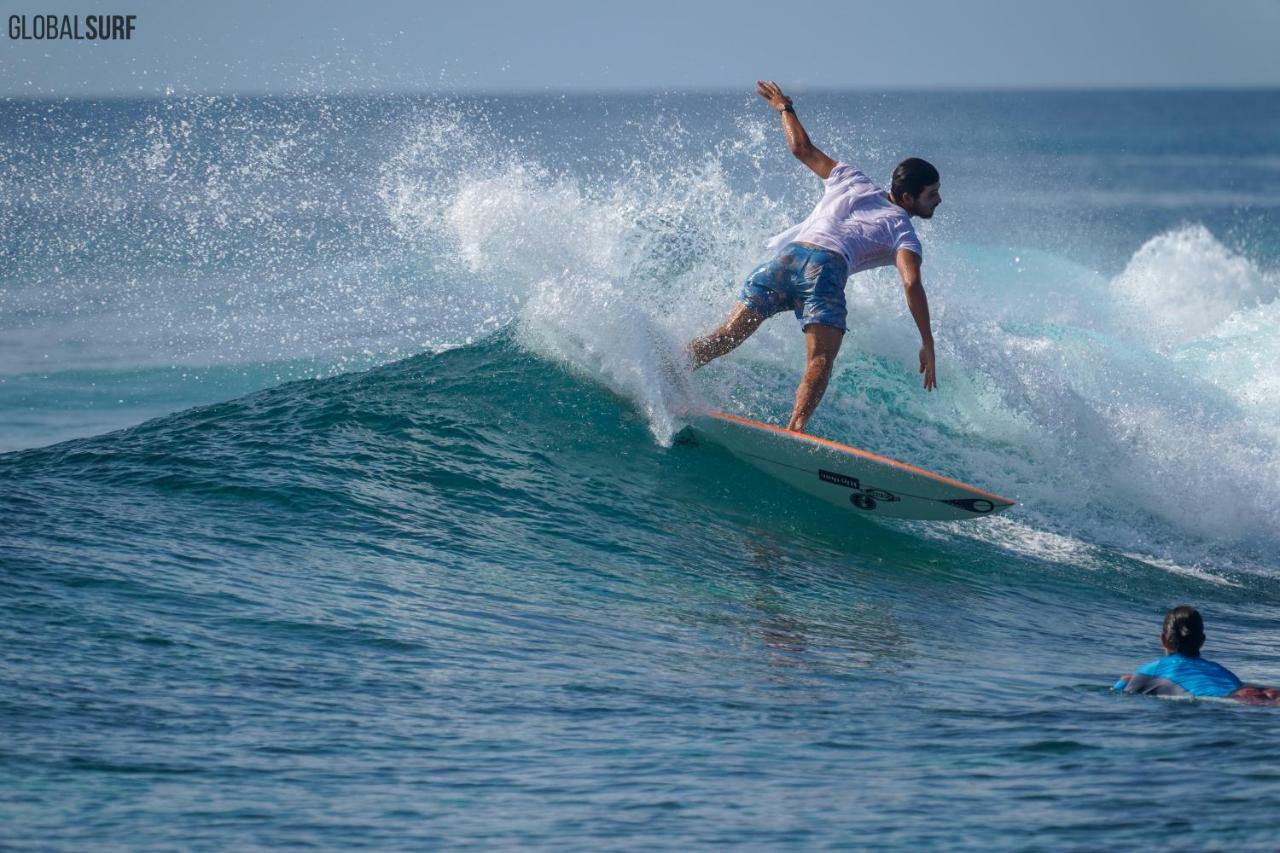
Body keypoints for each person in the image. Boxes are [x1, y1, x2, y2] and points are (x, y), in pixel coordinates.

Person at [686, 80, 942, 434]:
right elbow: (911, 282)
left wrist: (783, 108)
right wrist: (927, 341)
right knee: (820, 359)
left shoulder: (852, 178)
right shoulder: (903, 229)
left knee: (727, 335)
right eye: (932, 194)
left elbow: (800, 148)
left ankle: (668, 368)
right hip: (825, 269)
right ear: (908, 198)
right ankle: (796, 430)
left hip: (785, 260)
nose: (938, 200)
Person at [1115, 606, 1280, 705]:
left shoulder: (1151, 670)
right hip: (1249, 694)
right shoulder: (1220, 669)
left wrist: (1124, 681)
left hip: (1230, 702)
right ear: (1202, 641)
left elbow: (1119, 695)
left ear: (1163, 639)